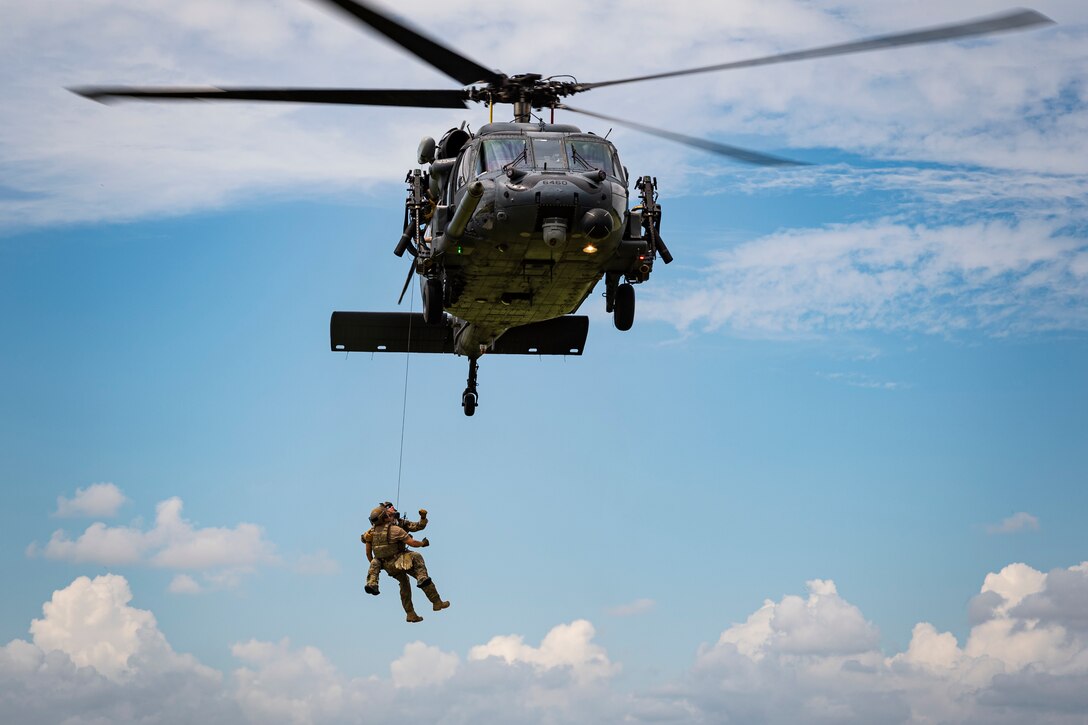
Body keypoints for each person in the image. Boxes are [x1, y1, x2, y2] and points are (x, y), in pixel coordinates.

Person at [362, 507, 450, 623]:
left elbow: (368, 552)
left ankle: (411, 613)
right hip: (400, 561)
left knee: (404, 584)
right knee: (418, 562)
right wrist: (423, 543)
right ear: (385, 517)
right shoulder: (395, 529)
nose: (392, 513)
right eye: (389, 512)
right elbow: (412, 543)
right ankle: (434, 598)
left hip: (388, 566)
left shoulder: (371, 532)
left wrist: (423, 518)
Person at [363, 502, 427, 596]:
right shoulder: (376, 528)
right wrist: (366, 537)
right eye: (388, 507)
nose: (392, 507)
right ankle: (372, 584)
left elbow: (418, 526)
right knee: (374, 563)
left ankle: (432, 597)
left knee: (412, 578)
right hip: (385, 561)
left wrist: (423, 518)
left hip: (401, 556)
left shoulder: (401, 523)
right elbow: (365, 539)